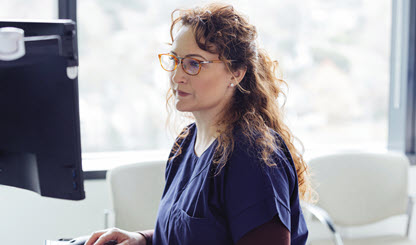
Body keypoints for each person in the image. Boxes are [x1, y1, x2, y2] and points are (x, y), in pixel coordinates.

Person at [85, 3, 316, 245]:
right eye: (175, 60)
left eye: (194, 64)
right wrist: (143, 239)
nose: (176, 76)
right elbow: (196, 235)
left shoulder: (251, 155)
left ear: (235, 73)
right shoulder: (186, 142)